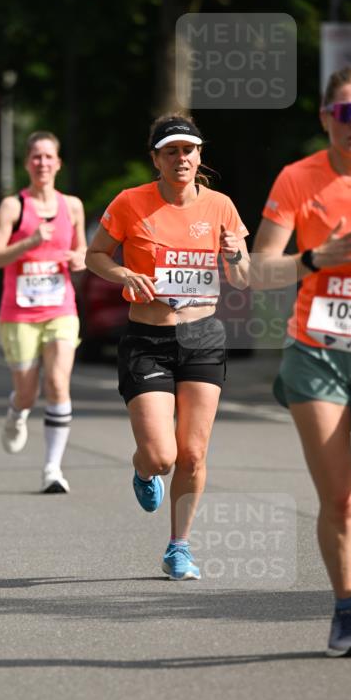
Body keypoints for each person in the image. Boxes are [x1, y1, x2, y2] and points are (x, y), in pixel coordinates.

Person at [86, 114, 250, 580]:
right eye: (172, 151)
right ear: (156, 158)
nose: (182, 158)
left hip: (202, 337)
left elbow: (241, 277)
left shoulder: (220, 206)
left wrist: (233, 250)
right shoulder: (129, 203)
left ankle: (179, 546)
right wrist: (125, 275)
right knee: (162, 455)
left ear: (200, 157)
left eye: (190, 150)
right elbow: (94, 256)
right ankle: (144, 471)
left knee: (194, 454)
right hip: (147, 339)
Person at [252, 66, 351, 657]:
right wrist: (317, 257)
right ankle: (346, 609)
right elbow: (256, 269)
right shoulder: (299, 179)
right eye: (345, 113)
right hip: (317, 355)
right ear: (326, 118)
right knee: (342, 499)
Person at [0, 131, 86, 493]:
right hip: (20, 312)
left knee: (58, 382)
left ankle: (52, 470)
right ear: (27, 164)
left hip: (61, 307)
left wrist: (79, 259)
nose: (42, 163)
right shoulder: (15, 207)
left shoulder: (72, 206)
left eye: (48, 157)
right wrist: (30, 242)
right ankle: (17, 411)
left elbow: (83, 253)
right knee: (28, 392)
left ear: (58, 163)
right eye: (36, 157)